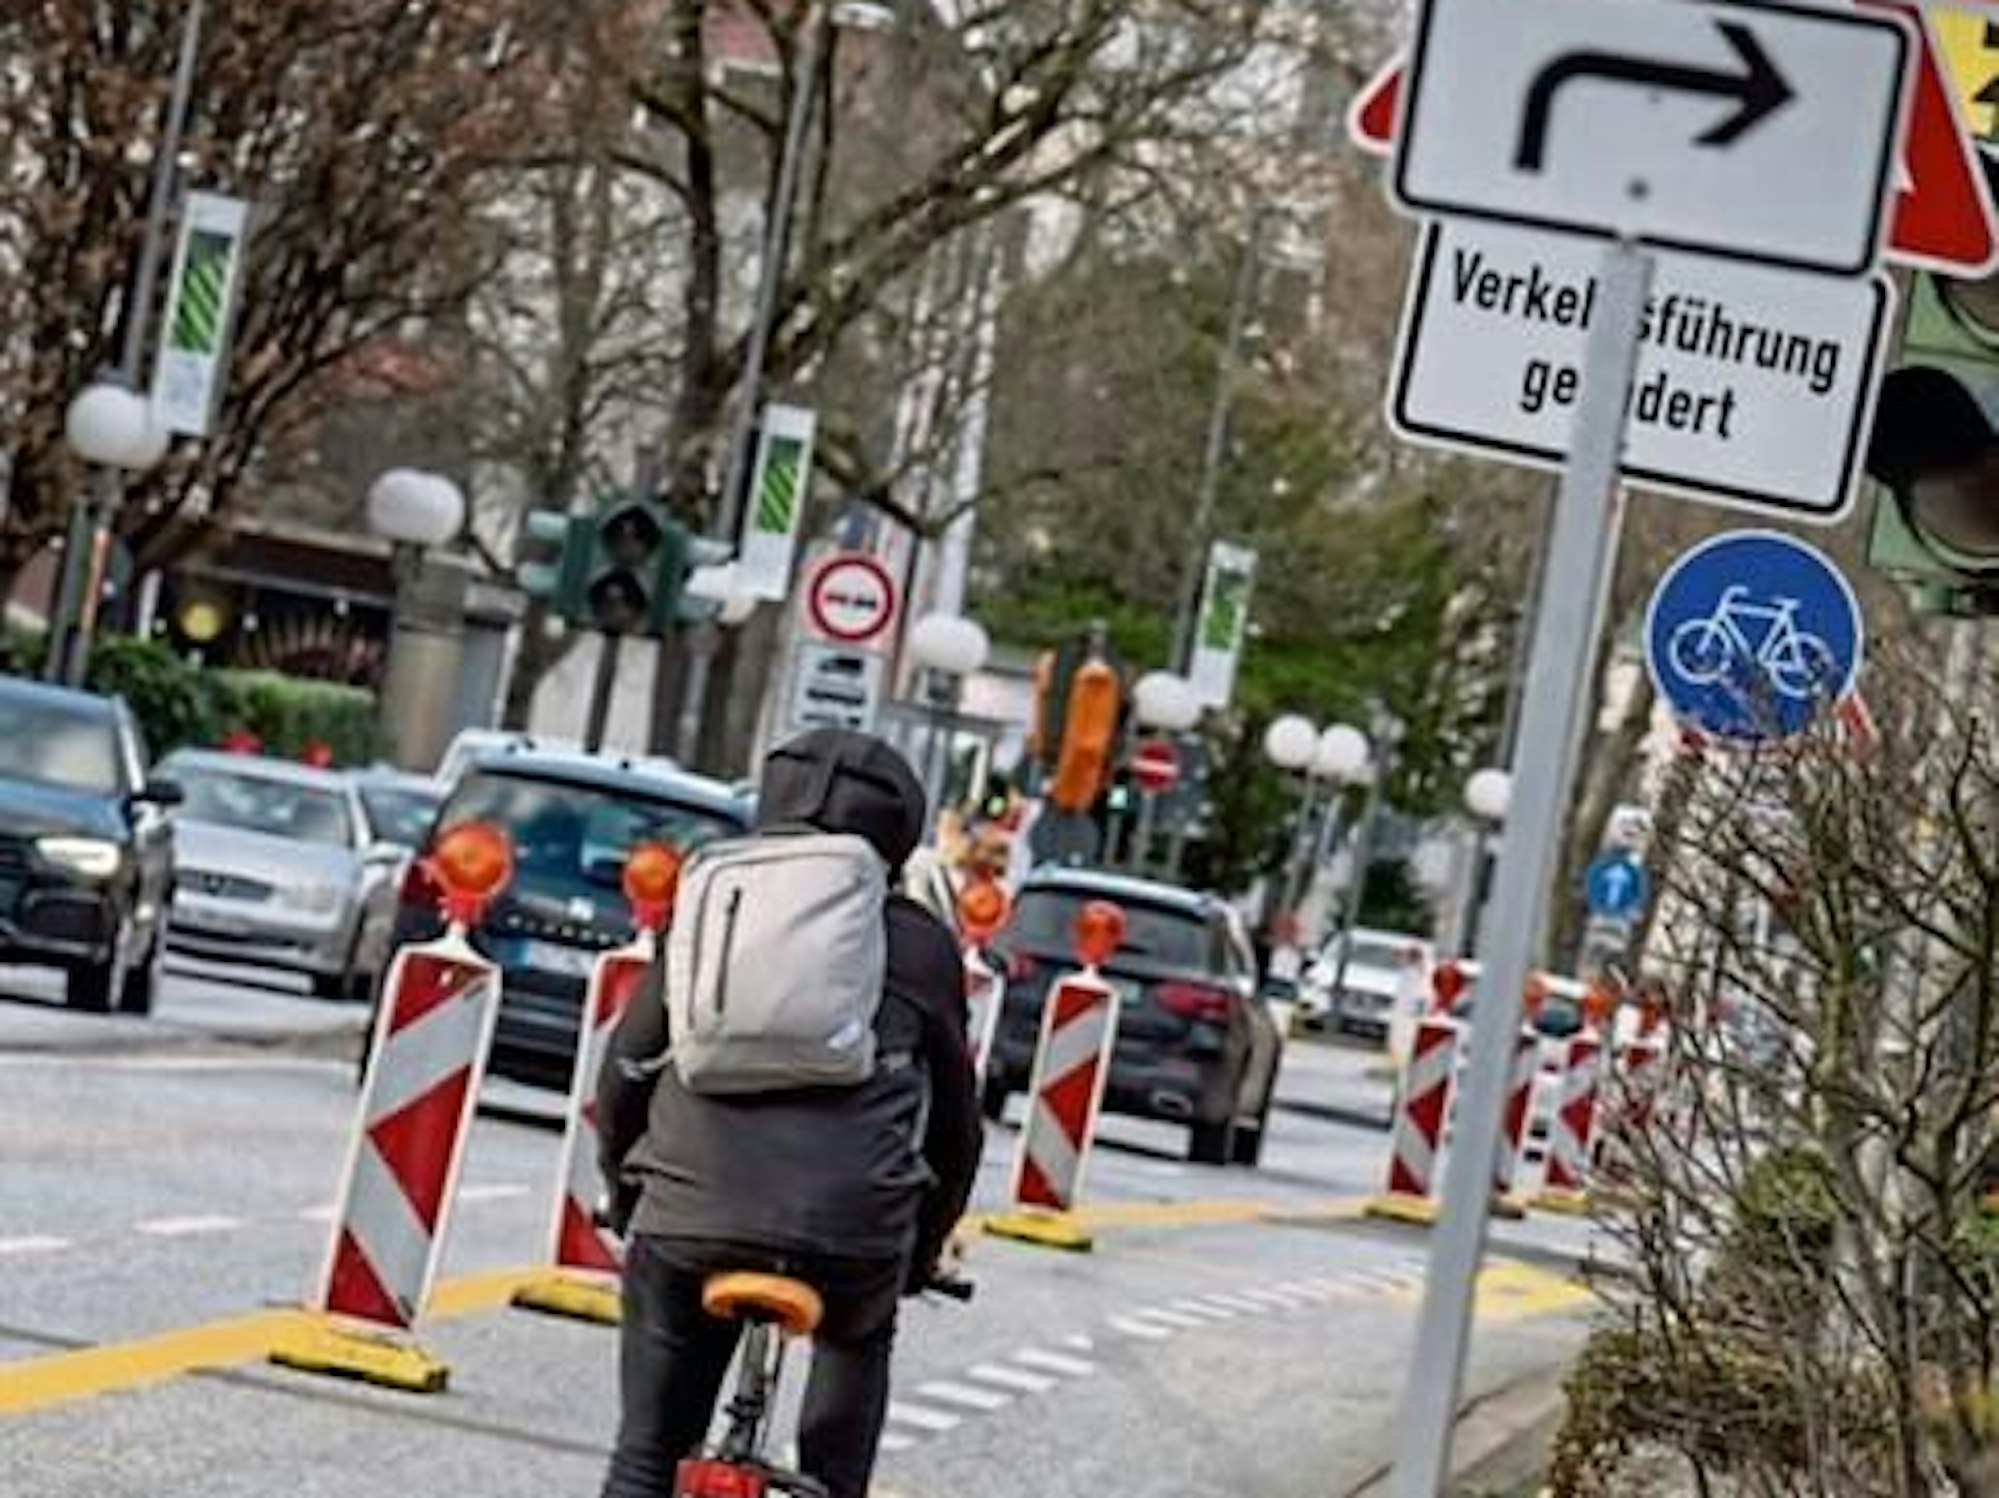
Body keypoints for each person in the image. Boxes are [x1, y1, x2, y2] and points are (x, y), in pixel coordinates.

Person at [595, 729, 983, 1498]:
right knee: (856, 1344)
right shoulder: (919, 944)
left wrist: (624, 1187)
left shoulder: (710, 909)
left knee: (647, 1454)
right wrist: (921, 1249)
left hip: (686, 1216)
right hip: (852, 1233)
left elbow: (625, 1068)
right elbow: (956, 1128)